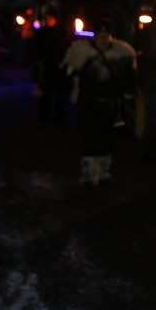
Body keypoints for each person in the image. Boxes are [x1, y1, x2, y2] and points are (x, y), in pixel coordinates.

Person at [61, 18, 136, 187]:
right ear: (95, 37)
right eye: (100, 36)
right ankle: (89, 174)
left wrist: (127, 95)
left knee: (106, 139)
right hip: (89, 103)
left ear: (110, 36)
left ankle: (103, 173)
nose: (103, 39)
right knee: (90, 138)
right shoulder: (82, 54)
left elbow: (129, 78)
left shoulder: (122, 55)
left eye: (106, 35)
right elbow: (69, 75)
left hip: (109, 104)